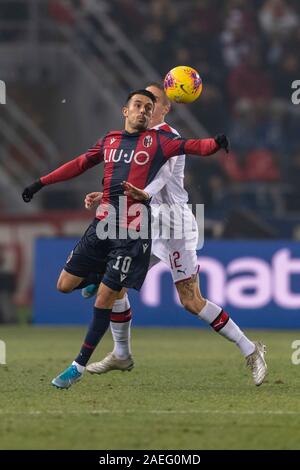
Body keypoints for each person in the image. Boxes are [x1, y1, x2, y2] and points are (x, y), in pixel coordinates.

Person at [22, 88, 228, 388]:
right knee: (64, 285)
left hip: (134, 233)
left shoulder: (160, 141)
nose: (144, 110)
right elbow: (79, 164)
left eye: (149, 107)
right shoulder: (110, 140)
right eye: (138, 105)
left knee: (107, 296)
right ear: (125, 111)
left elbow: (192, 146)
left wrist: (215, 144)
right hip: (103, 226)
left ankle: (77, 366)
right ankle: (99, 277)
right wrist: (40, 183)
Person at [83, 83, 267, 387]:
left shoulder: (170, 138)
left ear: (166, 107)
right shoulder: (136, 139)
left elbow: (162, 178)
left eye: (154, 100)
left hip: (175, 224)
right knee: (115, 285)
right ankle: (121, 353)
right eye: (144, 100)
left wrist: (143, 193)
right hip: (149, 223)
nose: (147, 105)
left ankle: (251, 350)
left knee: (191, 301)